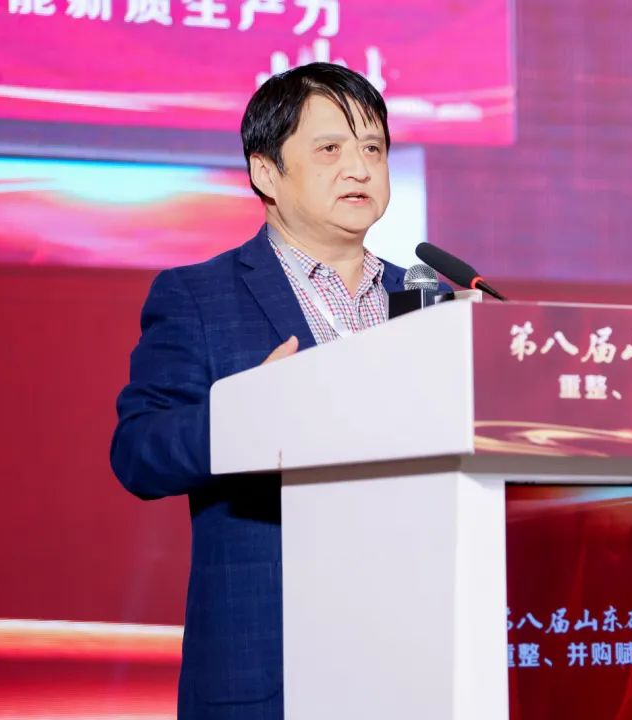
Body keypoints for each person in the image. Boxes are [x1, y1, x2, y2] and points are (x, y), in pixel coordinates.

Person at [111, 62, 441, 719]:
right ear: (265, 172)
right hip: (273, 662)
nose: (359, 169)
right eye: (330, 149)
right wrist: (246, 412)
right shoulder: (199, 295)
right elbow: (138, 453)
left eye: (373, 149)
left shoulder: (427, 297)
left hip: (419, 651)